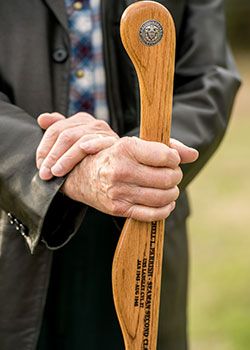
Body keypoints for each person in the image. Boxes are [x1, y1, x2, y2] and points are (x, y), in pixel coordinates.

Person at [0, 1, 240, 350]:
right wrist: (69, 170)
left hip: (146, 228)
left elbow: (209, 78)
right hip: (15, 225)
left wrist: (134, 166)